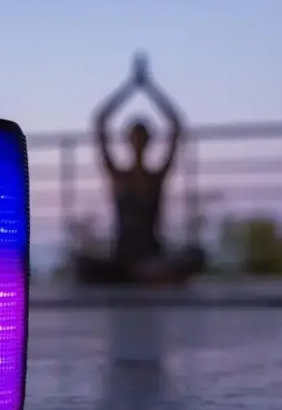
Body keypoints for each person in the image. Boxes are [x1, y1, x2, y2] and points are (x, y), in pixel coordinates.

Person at [73, 53, 206, 286]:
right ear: (128, 141)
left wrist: (150, 87)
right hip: (123, 259)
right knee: (81, 263)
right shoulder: (118, 176)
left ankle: (143, 275)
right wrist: (131, 86)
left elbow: (176, 124)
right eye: (135, 137)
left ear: (149, 141)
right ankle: (143, 276)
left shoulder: (157, 176)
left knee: (196, 256)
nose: (138, 143)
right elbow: (100, 121)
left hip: (153, 257)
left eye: (142, 137)